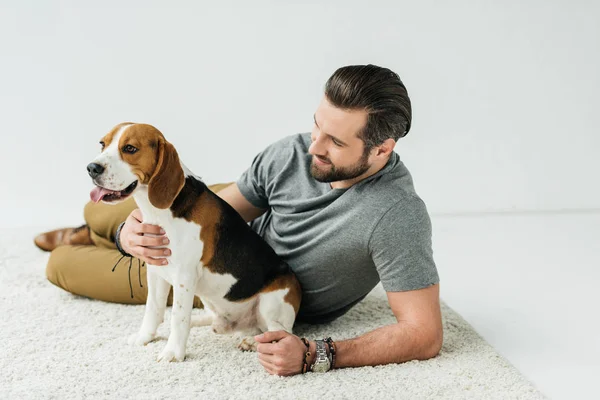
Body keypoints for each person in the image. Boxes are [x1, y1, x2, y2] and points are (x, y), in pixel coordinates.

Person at [36, 64, 442, 376]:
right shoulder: (291, 153)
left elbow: (424, 334)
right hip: (229, 238)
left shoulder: (396, 215)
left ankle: (90, 235)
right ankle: (99, 230)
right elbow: (215, 210)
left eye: (335, 142)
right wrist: (130, 234)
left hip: (238, 284)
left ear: (382, 150)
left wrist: (320, 353)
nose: (311, 146)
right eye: (316, 125)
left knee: (62, 266)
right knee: (105, 210)